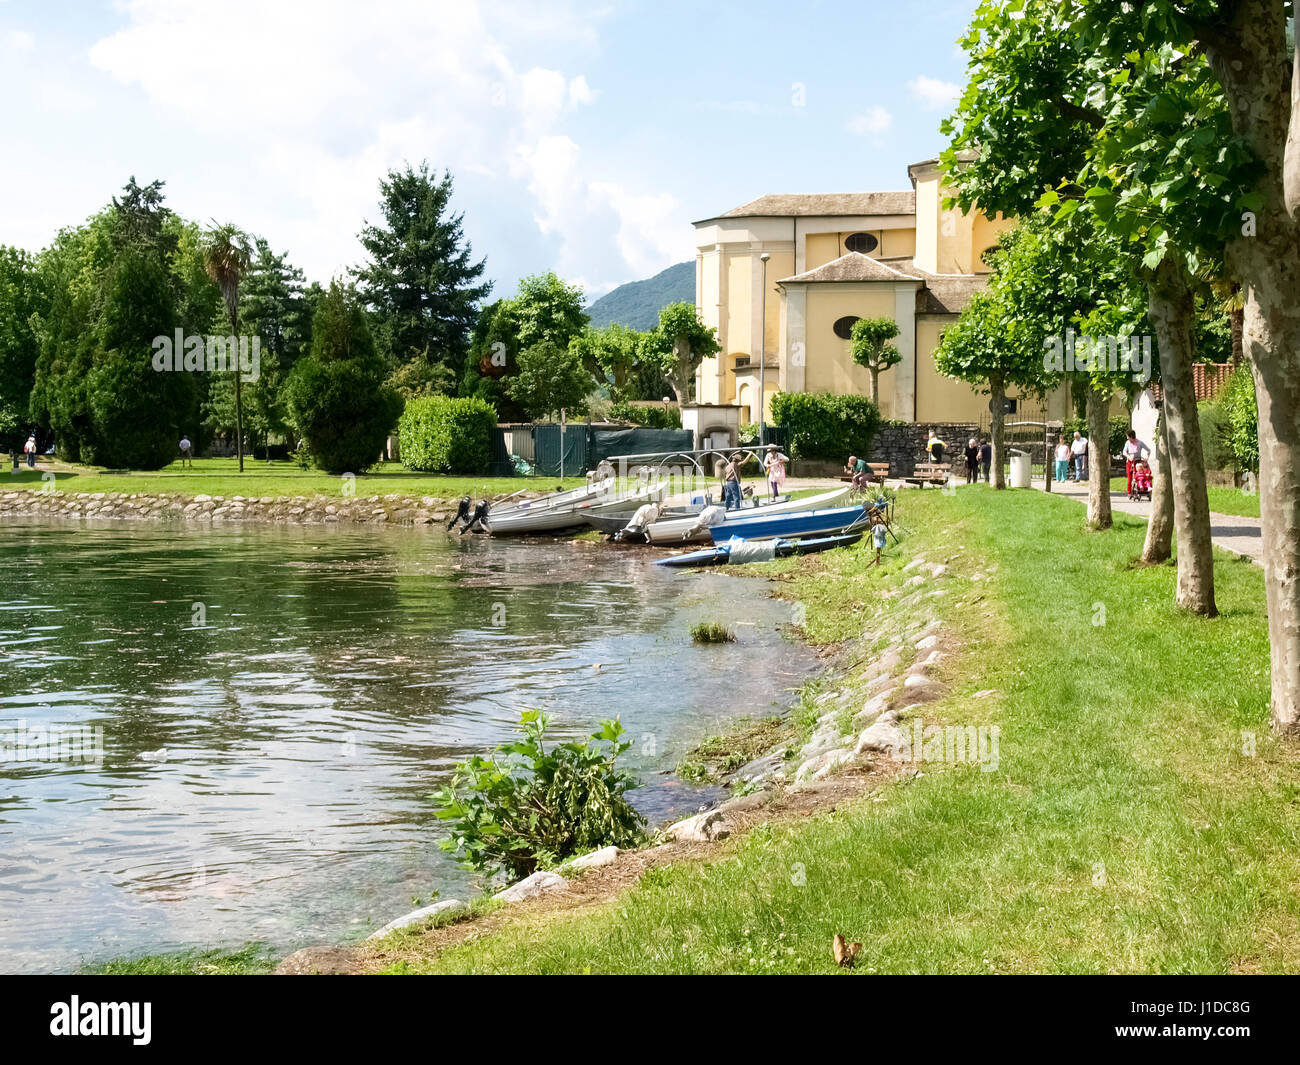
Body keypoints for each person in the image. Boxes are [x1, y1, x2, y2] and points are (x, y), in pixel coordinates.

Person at [1123, 429, 1151, 495]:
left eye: (1128, 436)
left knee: (1139, 476)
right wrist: (1128, 456)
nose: (1127, 438)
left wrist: (1147, 458)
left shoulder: (1140, 443)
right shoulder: (1127, 443)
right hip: (1130, 463)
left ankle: (1141, 489)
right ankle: (1129, 493)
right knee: (1130, 478)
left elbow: (1148, 450)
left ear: (1131, 436)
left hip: (1138, 463)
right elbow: (1124, 452)